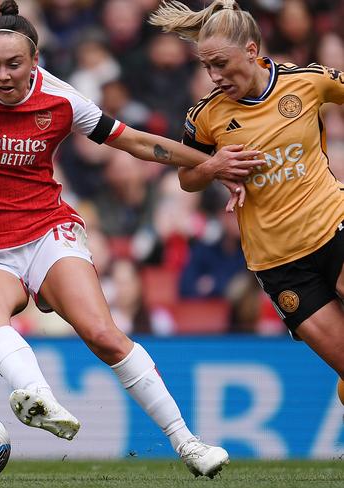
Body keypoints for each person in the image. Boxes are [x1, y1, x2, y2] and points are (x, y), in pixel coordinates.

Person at [0, 0, 263, 477]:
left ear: (34, 61)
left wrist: (206, 165)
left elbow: (132, 141)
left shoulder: (62, 99)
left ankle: (188, 443)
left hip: (48, 232)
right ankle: (38, 397)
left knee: (103, 336)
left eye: (13, 64)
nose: (1, 75)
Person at [149, 0, 344, 406]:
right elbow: (187, 179)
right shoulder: (206, 118)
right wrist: (214, 167)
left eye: (221, 63)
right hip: (278, 262)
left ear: (252, 51)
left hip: (333, 226)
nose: (214, 76)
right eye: (207, 67)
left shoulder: (307, 82)